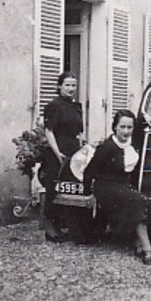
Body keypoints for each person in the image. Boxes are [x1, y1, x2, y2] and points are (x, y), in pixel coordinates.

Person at [86, 108, 151, 265]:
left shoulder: (132, 143)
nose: (126, 131)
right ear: (115, 127)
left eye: (129, 127)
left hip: (123, 187)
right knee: (135, 201)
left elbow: (143, 123)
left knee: (144, 201)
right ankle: (147, 248)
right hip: (105, 187)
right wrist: (89, 194)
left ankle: (137, 243)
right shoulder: (107, 147)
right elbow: (89, 171)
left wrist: (146, 119)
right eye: (122, 127)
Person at [39, 72, 86, 242]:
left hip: (73, 151)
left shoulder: (76, 106)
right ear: (59, 86)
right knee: (54, 187)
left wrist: (81, 150)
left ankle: (64, 225)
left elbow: (79, 131)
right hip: (56, 150)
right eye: (67, 85)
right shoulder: (54, 105)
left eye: (73, 85)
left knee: (70, 186)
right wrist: (57, 152)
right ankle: (50, 228)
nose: (71, 89)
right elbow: (49, 131)